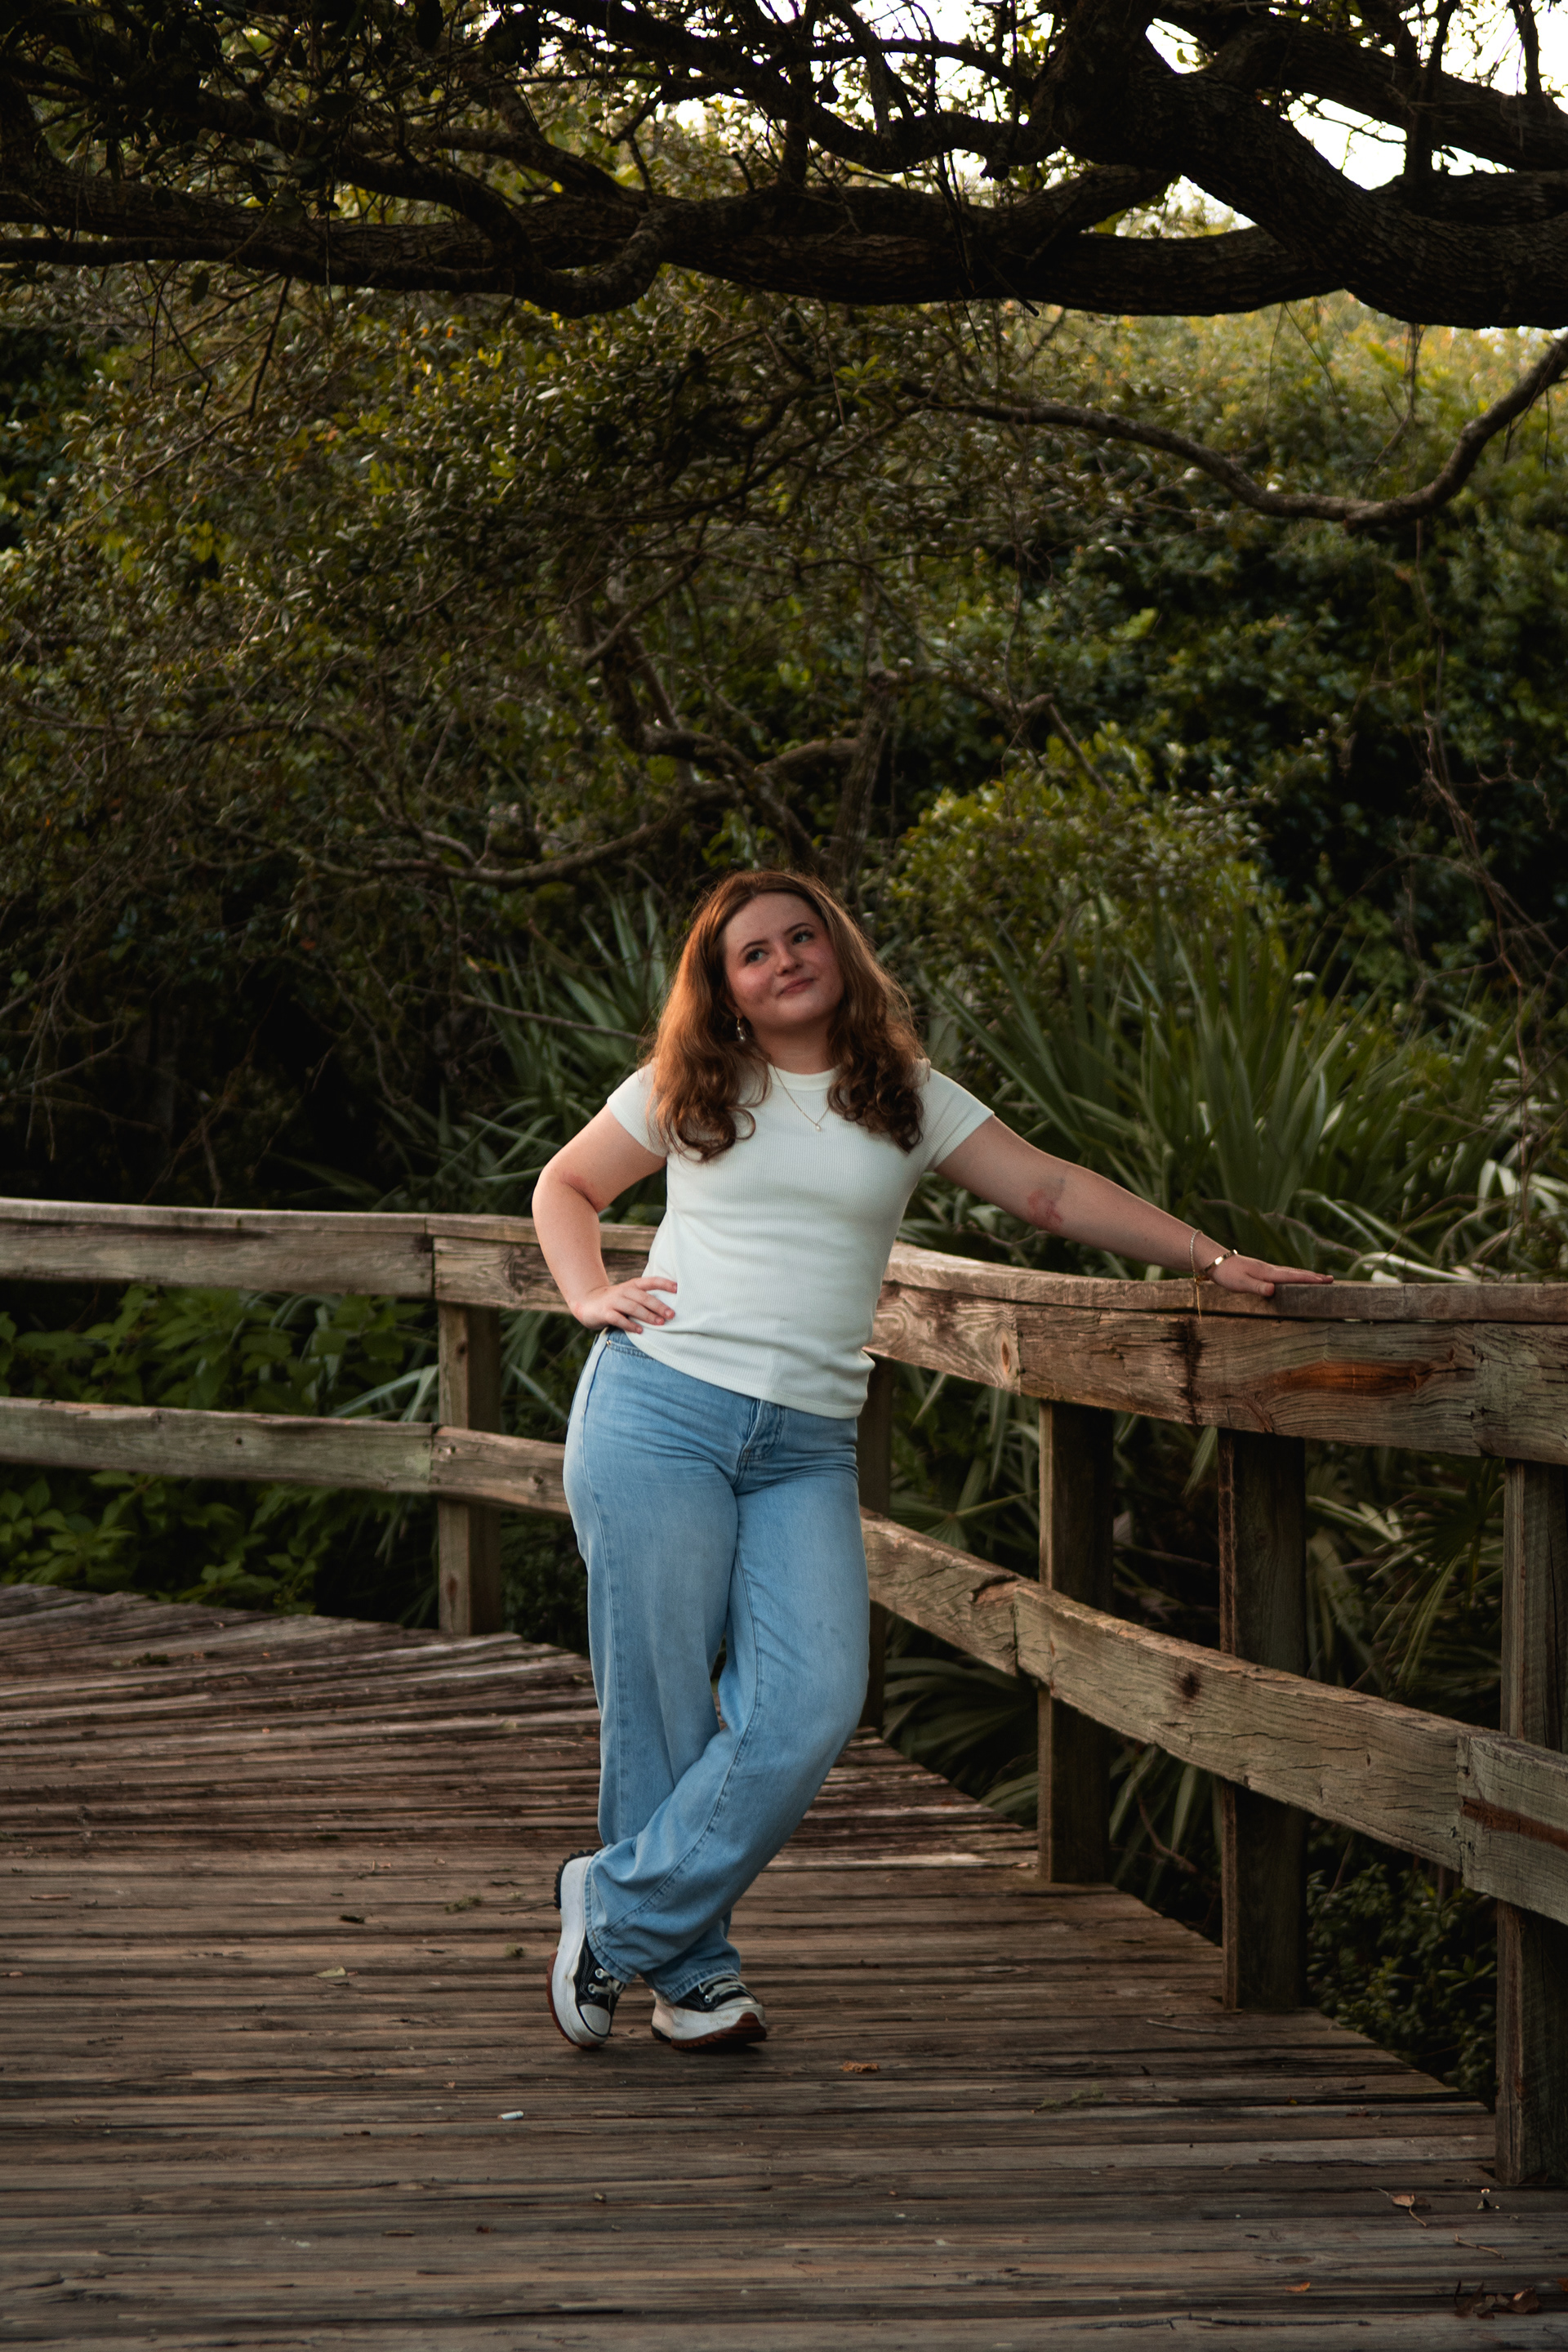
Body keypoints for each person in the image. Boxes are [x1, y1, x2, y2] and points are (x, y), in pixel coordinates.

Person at [531, 869, 1330, 2053]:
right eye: (754, 953)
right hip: (662, 1411)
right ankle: (689, 1973)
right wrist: (591, 1292)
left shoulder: (905, 1097)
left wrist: (1214, 1261)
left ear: (839, 952)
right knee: (662, 1704)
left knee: (810, 1703)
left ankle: (619, 1910)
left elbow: (1052, 1193)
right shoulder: (691, 1086)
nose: (786, 958)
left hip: (802, 1442)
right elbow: (568, 1184)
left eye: (804, 936)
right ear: (728, 993)